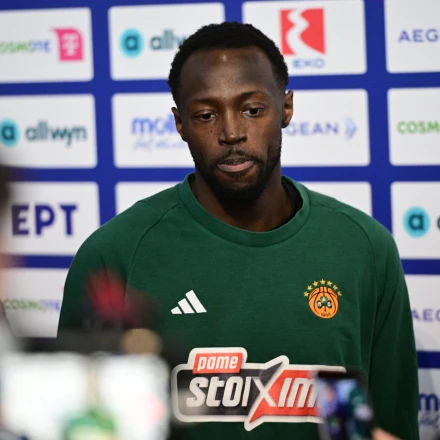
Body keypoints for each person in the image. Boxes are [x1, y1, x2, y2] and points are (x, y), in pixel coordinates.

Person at [59, 22, 418, 440]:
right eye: (206, 115)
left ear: (286, 108)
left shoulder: (363, 248)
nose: (231, 133)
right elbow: (83, 426)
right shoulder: (116, 254)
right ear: (180, 124)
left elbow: (388, 425)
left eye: (252, 109)